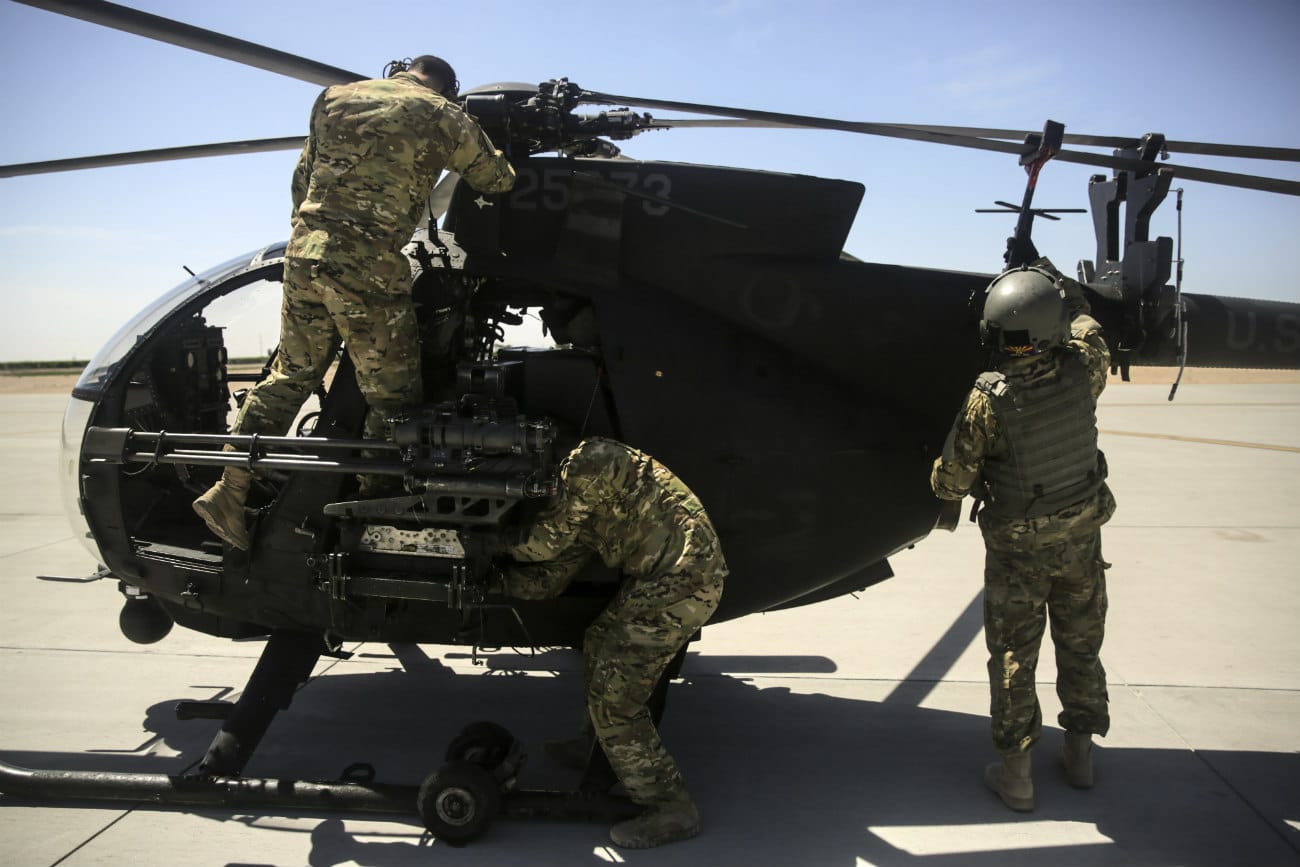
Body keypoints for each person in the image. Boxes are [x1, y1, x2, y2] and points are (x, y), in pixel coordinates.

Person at [193, 55, 515, 550]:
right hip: (369, 269)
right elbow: (497, 180)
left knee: (289, 377)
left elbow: (302, 183)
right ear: (448, 87)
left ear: (402, 70)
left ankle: (228, 490)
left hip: (305, 256)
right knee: (394, 399)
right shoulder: (446, 116)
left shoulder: (334, 98)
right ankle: (371, 517)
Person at [930, 261, 1115, 812]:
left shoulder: (988, 401)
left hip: (1017, 555)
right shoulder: (1086, 368)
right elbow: (1087, 325)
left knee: (1014, 656)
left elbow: (951, 481)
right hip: (1081, 541)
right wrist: (1062, 287)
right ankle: (1080, 754)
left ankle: (1017, 776)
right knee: (1081, 644)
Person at [497, 437, 727, 848]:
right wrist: (493, 582)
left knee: (616, 704)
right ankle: (597, 746)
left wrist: (486, 540)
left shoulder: (591, 461)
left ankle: (670, 805)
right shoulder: (583, 505)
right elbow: (550, 576)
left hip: (683, 580)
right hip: (665, 579)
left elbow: (544, 543)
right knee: (599, 637)